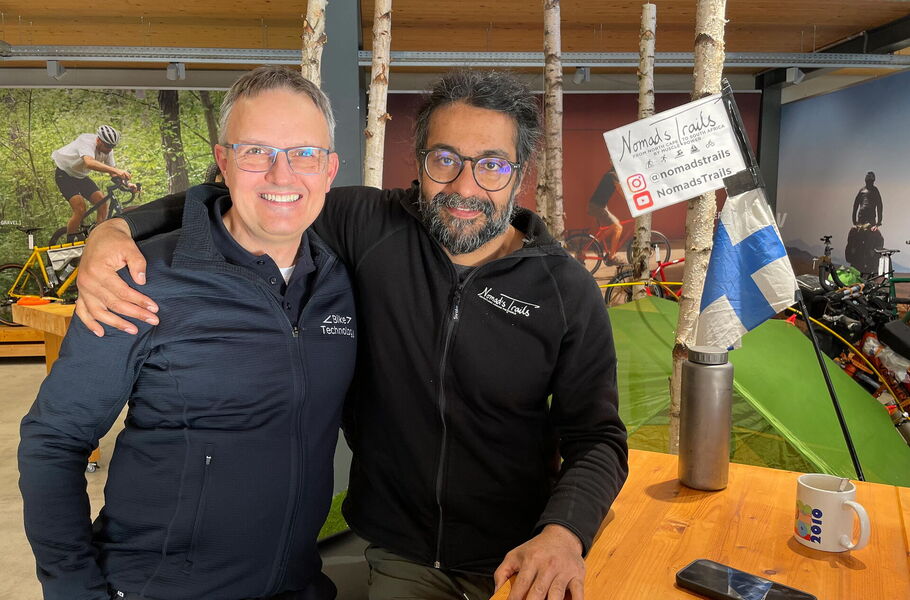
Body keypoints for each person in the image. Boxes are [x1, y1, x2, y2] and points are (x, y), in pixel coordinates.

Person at [74, 69, 629, 600]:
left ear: (520, 172)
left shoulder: (566, 290)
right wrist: (117, 228)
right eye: (444, 160)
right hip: (403, 554)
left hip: (527, 551)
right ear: (419, 162)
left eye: (492, 165)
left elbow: (598, 437)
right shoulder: (366, 225)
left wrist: (564, 532)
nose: (465, 186)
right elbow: (247, 198)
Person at [19, 67, 354, 600]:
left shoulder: (341, 280)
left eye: (304, 153)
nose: (282, 174)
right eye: (256, 151)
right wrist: (73, 588)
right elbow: (54, 440)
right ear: (224, 161)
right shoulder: (139, 279)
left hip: (296, 585)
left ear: (330, 168)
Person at [52, 125, 136, 241]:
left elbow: (113, 173)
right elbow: (89, 163)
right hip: (64, 174)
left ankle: (97, 238)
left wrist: (127, 184)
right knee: (80, 208)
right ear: (98, 140)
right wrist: (116, 170)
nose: (109, 149)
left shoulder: (108, 151)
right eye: (107, 146)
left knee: (102, 203)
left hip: (81, 176)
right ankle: (70, 242)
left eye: (112, 146)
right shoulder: (86, 141)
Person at [846, 170, 885, 273]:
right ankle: (857, 259)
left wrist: (878, 223)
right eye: (868, 181)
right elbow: (855, 206)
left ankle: (870, 260)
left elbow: (879, 206)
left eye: (870, 181)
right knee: (857, 239)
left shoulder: (875, 191)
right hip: (861, 220)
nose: (869, 183)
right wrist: (854, 221)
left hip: (870, 221)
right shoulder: (862, 191)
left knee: (872, 239)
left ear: (873, 181)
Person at [586, 168, 625, 265]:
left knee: (615, 226)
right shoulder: (613, 175)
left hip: (598, 206)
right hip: (597, 207)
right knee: (618, 227)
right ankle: (612, 257)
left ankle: (596, 242)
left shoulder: (610, 174)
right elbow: (620, 189)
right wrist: (631, 200)